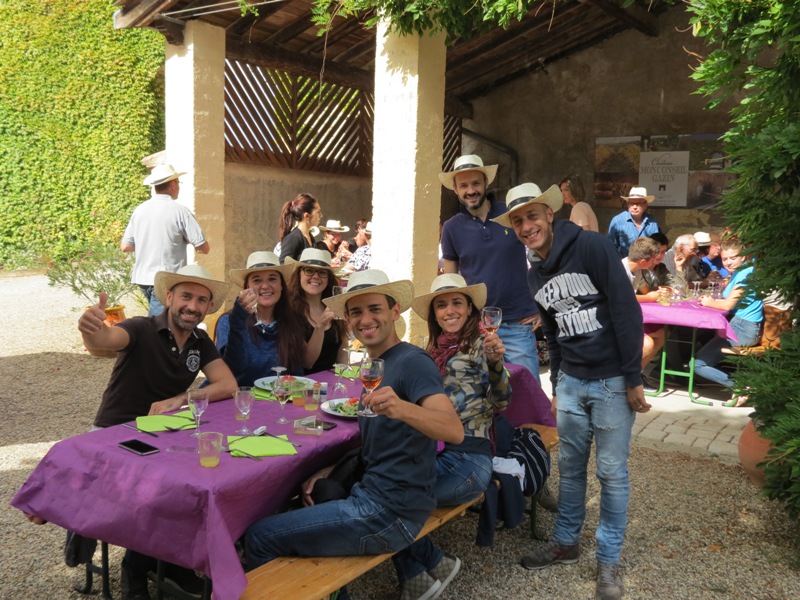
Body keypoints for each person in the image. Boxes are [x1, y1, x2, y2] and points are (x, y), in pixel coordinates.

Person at [245, 270, 464, 600]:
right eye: (356, 312)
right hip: (383, 500)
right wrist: (329, 469)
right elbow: (380, 440)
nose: (366, 319)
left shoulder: (412, 362)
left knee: (258, 537)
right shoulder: (377, 365)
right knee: (307, 494)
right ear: (347, 319)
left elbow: (453, 430)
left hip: (389, 513)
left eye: (375, 309)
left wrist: (402, 408)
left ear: (394, 311)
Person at [495, 182, 647, 600]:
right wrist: (558, 383)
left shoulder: (593, 248)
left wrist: (633, 378)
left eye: (533, 216)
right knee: (572, 468)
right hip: (573, 383)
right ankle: (565, 543)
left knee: (612, 474)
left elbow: (625, 309)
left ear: (549, 214)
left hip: (613, 380)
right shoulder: (534, 274)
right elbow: (554, 334)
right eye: (518, 221)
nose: (527, 226)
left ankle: (609, 561)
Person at [80, 264, 236, 599]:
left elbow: (228, 384)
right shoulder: (142, 327)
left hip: (164, 435)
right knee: (160, 492)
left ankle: (166, 561)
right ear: (169, 297)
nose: (192, 306)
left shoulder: (199, 340)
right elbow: (107, 339)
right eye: (186, 296)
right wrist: (91, 330)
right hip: (116, 434)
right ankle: (134, 569)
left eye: (201, 300)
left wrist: (182, 398)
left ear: (209, 307)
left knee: (195, 484)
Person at [395, 274, 511, 591]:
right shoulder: (429, 351)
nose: (449, 311)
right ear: (434, 314)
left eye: (456, 303)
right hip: (432, 453)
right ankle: (425, 569)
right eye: (441, 305)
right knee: (382, 485)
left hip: (468, 460)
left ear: (470, 309)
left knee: (393, 497)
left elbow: (503, 400)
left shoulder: (482, 347)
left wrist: (496, 363)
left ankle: (426, 566)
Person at [439, 154, 542, 383]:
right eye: (463, 185)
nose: (470, 190)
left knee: (529, 393)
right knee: (484, 395)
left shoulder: (510, 214)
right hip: (475, 327)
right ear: (455, 190)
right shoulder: (451, 228)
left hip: (518, 322)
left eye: (475, 183)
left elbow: (541, 255)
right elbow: (451, 280)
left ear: (486, 183)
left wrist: (541, 303)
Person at [121, 164, 210, 316]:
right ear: (173, 185)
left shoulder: (140, 210)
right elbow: (203, 248)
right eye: (179, 184)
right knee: (158, 326)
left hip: (143, 277)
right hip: (166, 277)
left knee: (165, 321)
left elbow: (125, 246)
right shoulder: (180, 211)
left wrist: (147, 243)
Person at [216, 251, 307, 385]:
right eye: (257, 280)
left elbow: (296, 374)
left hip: (280, 399)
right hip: (241, 401)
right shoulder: (228, 321)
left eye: (272, 279)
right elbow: (229, 369)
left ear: (281, 285)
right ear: (247, 287)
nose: (265, 286)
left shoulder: (291, 321)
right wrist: (238, 320)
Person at [694, 238, 763, 406]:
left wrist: (709, 302)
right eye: (725, 259)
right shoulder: (746, 269)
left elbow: (727, 304)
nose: (728, 262)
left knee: (697, 364)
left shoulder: (745, 274)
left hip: (743, 329)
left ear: (743, 256)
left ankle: (741, 387)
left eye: (733, 258)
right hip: (743, 326)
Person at [286, 248, 349, 372]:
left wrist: (345, 377)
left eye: (322, 272)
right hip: (304, 385)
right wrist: (320, 327)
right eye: (309, 270)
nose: (315, 276)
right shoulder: (290, 311)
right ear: (299, 274)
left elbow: (342, 353)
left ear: (328, 278)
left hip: (330, 382)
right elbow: (307, 362)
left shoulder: (333, 306)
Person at [623, 237, 667, 390]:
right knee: (647, 344)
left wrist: (659, 293)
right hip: (616, 321)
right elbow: (621, 297)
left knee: (660, 333)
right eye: (652, 260)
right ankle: (622, 376)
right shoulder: (619, 270)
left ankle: (636, 375)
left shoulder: (638, 270)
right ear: (643, 261)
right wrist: (648, 297)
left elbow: (645, 292)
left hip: (630, 316)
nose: (654, 263)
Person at [607, 186, 661, 258]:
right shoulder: (617, 221)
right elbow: (611, 247)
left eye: (638, 204)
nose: (634, 207)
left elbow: (656, 245)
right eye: (631, 203)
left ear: (645, 205)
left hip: (646, 265)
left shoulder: (651, 221)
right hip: (625, 266)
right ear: (628, 204)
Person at [278, 193, 323, 264]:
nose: (321, 216)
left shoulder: (310, 236)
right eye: (318, 212)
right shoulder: (293, 238)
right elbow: (283, 265)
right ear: (307, 216)